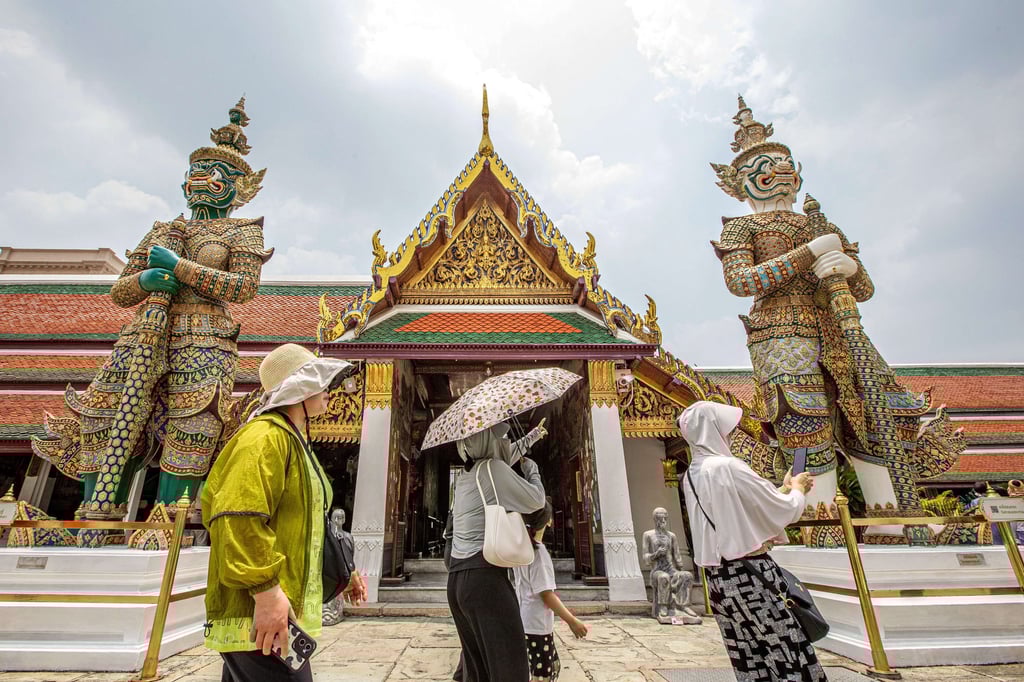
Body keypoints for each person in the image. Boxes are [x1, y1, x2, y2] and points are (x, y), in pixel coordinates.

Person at [202, 343, 367, 681]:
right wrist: (266, 591)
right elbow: (238, 516)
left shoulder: (292, 441)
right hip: (259, 612)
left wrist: (344, 570)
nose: (328, 392)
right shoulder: (263, 438)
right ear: (299, 389)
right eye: (318, 384)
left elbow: (307, 523)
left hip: (273, 609)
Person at [680, 401, 826, 682]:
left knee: (748, 653)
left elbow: (735, 509)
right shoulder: (728, 467)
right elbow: (781, 510)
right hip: (753, 574)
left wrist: (782, 488)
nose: (732, 436)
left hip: (719, 579)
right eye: (728, 431)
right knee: (786, 649)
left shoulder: (691, 474)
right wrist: (796, 491)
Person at [448, 421, 547, 682]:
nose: (503, 441)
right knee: (510, 669)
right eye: (497, 436)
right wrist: (532, 470)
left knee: (477, 670)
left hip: (458, 581)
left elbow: (505, 454)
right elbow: (537, 500)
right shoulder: (493, 470)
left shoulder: (467, 476)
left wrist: (532, 436)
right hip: (485, 581)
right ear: (487, 442)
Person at [514, 500, 589, 682]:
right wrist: (571, 620)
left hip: (526, 619)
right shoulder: (539, 553)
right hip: (537, 624)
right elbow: (546, 594)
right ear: (548, 521)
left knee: (540, 669)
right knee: (543, 675)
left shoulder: (520, 548)